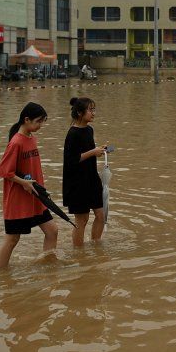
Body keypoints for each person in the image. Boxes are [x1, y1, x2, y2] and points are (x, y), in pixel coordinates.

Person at [0, 102, 58, 269]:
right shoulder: (16, 142)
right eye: (38, 121)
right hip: (18, 200)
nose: (41, 125)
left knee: (52, 231)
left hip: (35, 198)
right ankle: (1, 277)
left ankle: (48, 267)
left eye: (43, 121)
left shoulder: (32, 138)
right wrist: (24, 183)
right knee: (12, 239)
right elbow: (4, 171)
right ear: (26, 119)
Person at [63, 97, 107, 247]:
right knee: (82, 220)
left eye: (94, 109)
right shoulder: (72, 134)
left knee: (101, 215)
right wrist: (93, 152)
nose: (93, 113)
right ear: (80, 113)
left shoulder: (89, 130)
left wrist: (98, 152)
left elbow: (87, 153)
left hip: (92, 178)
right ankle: (78, 253)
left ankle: (96, 247)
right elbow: (72, 160)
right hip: (77, 182)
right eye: (90, 110)